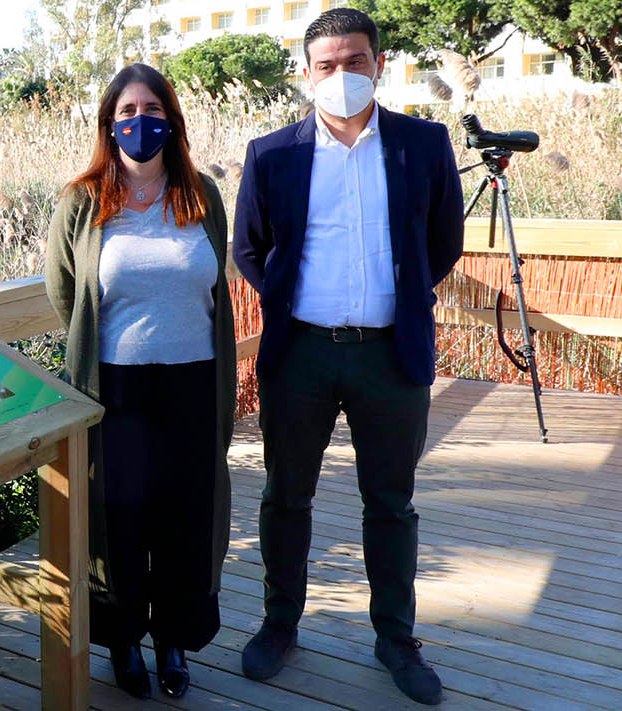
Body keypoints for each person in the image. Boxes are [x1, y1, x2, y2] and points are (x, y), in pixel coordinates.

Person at [230, 8, 464, 706]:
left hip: (390, 356)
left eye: (354, 60)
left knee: (391, 503)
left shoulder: (424, 144)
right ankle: (280, 625)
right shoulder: (271, 153)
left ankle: (396, 639)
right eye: (326, 64)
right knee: (284, 497)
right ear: (305, 72)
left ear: (378, 64)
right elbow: (249, 247)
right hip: (299, 353)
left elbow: (442, 241)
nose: (340, 75)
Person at [43, 63, 236, 700]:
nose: (139, 123)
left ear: (172, 121)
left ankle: (173, 640)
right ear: (108, 123)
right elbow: (64, 294)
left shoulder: (202, 195)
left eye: (151, 110)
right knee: (118, 518)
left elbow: (216, 283)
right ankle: (124, 640)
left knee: (184, 517)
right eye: (126, 112)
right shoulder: (83, 199)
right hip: (114, 391)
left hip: (192, 385)